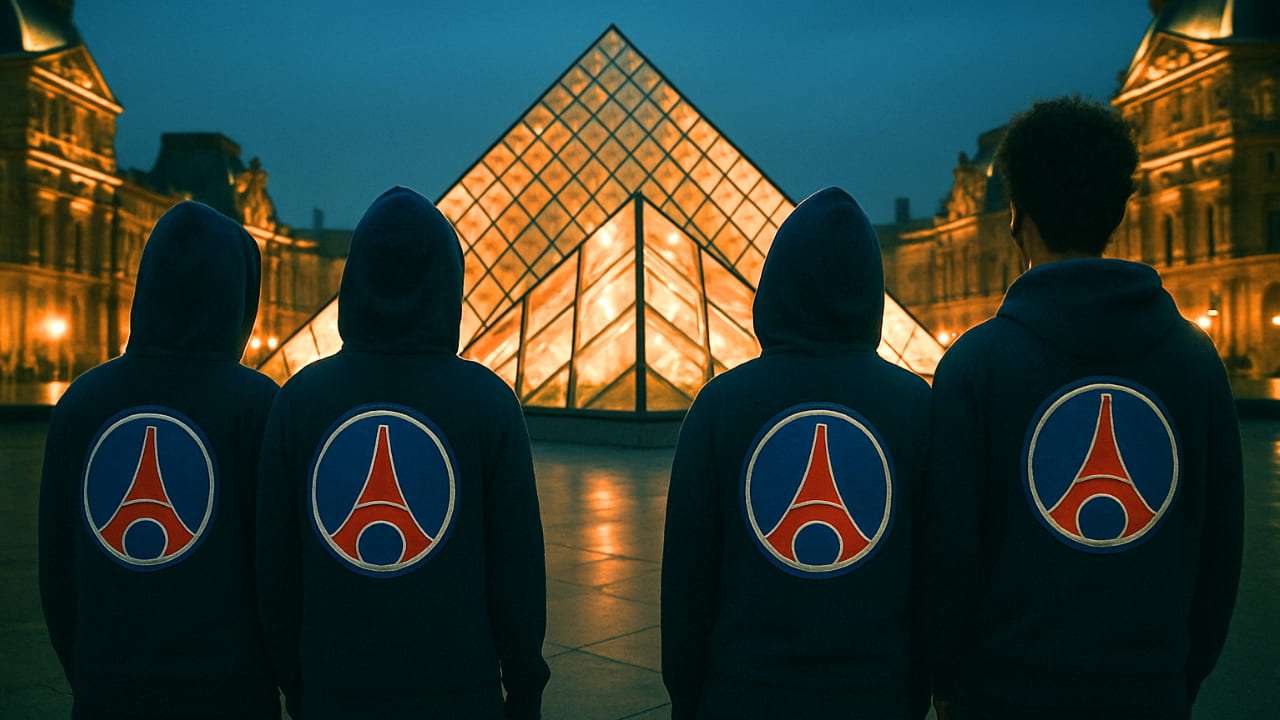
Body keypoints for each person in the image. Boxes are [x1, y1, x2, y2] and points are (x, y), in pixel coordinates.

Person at [923, 96, 1243, 720]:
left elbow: (950, 552)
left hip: (1003, 693)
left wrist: (950, 680)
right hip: (1149, 688)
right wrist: (1179, 673)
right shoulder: (1196, 359)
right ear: (1120, 212)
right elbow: (1220, 546)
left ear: (1015, 217)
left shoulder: (973, 363)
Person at [255, 187, 549, 719]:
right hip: (461, 691)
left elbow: (275, 566)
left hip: (332, 689)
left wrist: (293, 679)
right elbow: (518, 568)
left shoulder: (299, 398)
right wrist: (525, 682)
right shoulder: (488, 401)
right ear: (447, 280)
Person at [661, 187, 932, 719]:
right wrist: (916, 690)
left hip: (744, 693)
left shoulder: (720, 403)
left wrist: (689, 698)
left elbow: (687, 582)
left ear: (775, 284)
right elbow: (936, 575)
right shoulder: (916, 405)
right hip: (877, 694)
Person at [38, 201, 280, 718]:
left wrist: (89, 673)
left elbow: (57, 569)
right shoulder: (259, 404)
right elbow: (276, 570)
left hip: (107, 688)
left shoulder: (83, 400)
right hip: (230, 691)